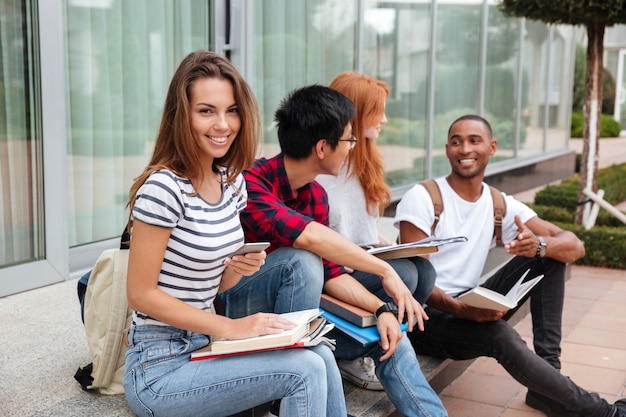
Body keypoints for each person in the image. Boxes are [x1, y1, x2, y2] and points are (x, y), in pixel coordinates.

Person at [122, 50, 347, 417]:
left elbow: (211, 286)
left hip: (203, 343)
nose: (223, 124)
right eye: (206, 111)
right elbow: (141, 294)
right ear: (183, 116)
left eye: (232, 110)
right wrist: (231, 327)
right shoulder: (163, 188)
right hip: (158, 366)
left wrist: (238, 269)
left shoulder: (231, 183)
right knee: (302, 370)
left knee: (319, 351)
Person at [220, 84, 448, 417]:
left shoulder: (315, 197)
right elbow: (309, 239)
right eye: (348, 140)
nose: (353, 147)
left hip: (303, 313)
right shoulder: (251, 183)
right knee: (299, 260)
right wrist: (384, 270)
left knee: (389, 336)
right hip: (239, 311)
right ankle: (285, 395)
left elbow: (331, 274)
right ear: (323, 147)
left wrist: (381, 308)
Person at [395, 114, 626, 417]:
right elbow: (411, 286)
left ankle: (547, 383)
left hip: (468, 300)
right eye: (456, 141)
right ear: (447, 149)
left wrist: (540, 245)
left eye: (474, 140)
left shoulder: (497, 202)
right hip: (423, 318)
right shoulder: (423, 197)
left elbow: (574, 245)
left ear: (492, 147)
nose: (464, 149)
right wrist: (464, 311)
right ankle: (603, 413)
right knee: (498, 334)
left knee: (550, 258)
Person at [316, 72, 437, 390]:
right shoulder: (323, 169)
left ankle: (383, 350)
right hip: (335, 272)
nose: (384, 119)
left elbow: (365, 231)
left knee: (423, 271)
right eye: (377, 111)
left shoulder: (366, 162)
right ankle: (349, 353)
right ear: (354, 115)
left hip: (363, 260)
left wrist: (396, 248)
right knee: (405, 276)